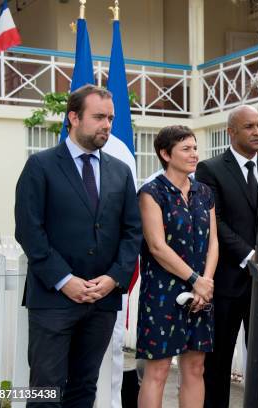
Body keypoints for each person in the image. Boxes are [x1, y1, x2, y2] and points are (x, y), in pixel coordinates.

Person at [14, 84, 142, 407]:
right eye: (99, 117)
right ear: (73, 116)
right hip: (53, 300)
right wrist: (64, 280)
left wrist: (114, 278)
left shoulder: (121, 172)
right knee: (45, 392)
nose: (107, 125)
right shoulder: (40, 167)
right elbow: (29, 230)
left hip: (102, 303)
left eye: (111, 118)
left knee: (84, 390)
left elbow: (132, 232)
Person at [195, 105, 258, 408]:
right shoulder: (210, 169)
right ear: (231, 132)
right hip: (227, 281)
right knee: (219, 360)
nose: (257, 132)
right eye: (249, 127)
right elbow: (216, 221)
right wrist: (249, 254)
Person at [136, 125, 218, 408]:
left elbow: (213, 242)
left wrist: (205, 283)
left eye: (195, 147)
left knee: (195, 368)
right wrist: (195, 279)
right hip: (162, 290)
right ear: (165, 153)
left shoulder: (204, 192)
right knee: (157, 370)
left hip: (202, 292)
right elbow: (157, 247)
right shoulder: (151, 192)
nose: (194, 154)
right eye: (186, 149)